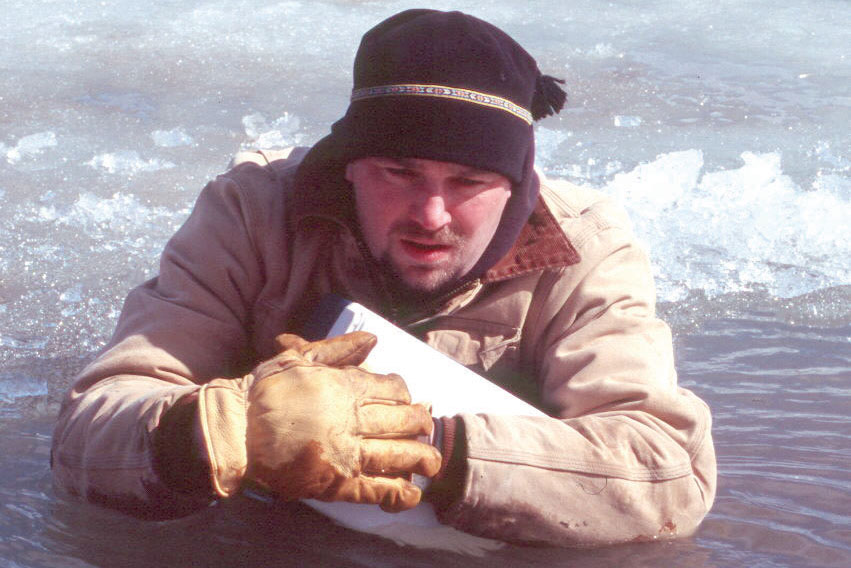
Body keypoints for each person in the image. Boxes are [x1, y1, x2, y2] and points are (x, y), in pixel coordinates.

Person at [51, 9, 716, 546]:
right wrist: (216, 433)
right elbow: (89, 426)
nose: (431, 215)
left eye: (468, 182)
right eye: (398, 173)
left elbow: (668, 473)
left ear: (514, 184)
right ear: (348, 163)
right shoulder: (251, 212)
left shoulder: (586, 244)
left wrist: (437, 450)